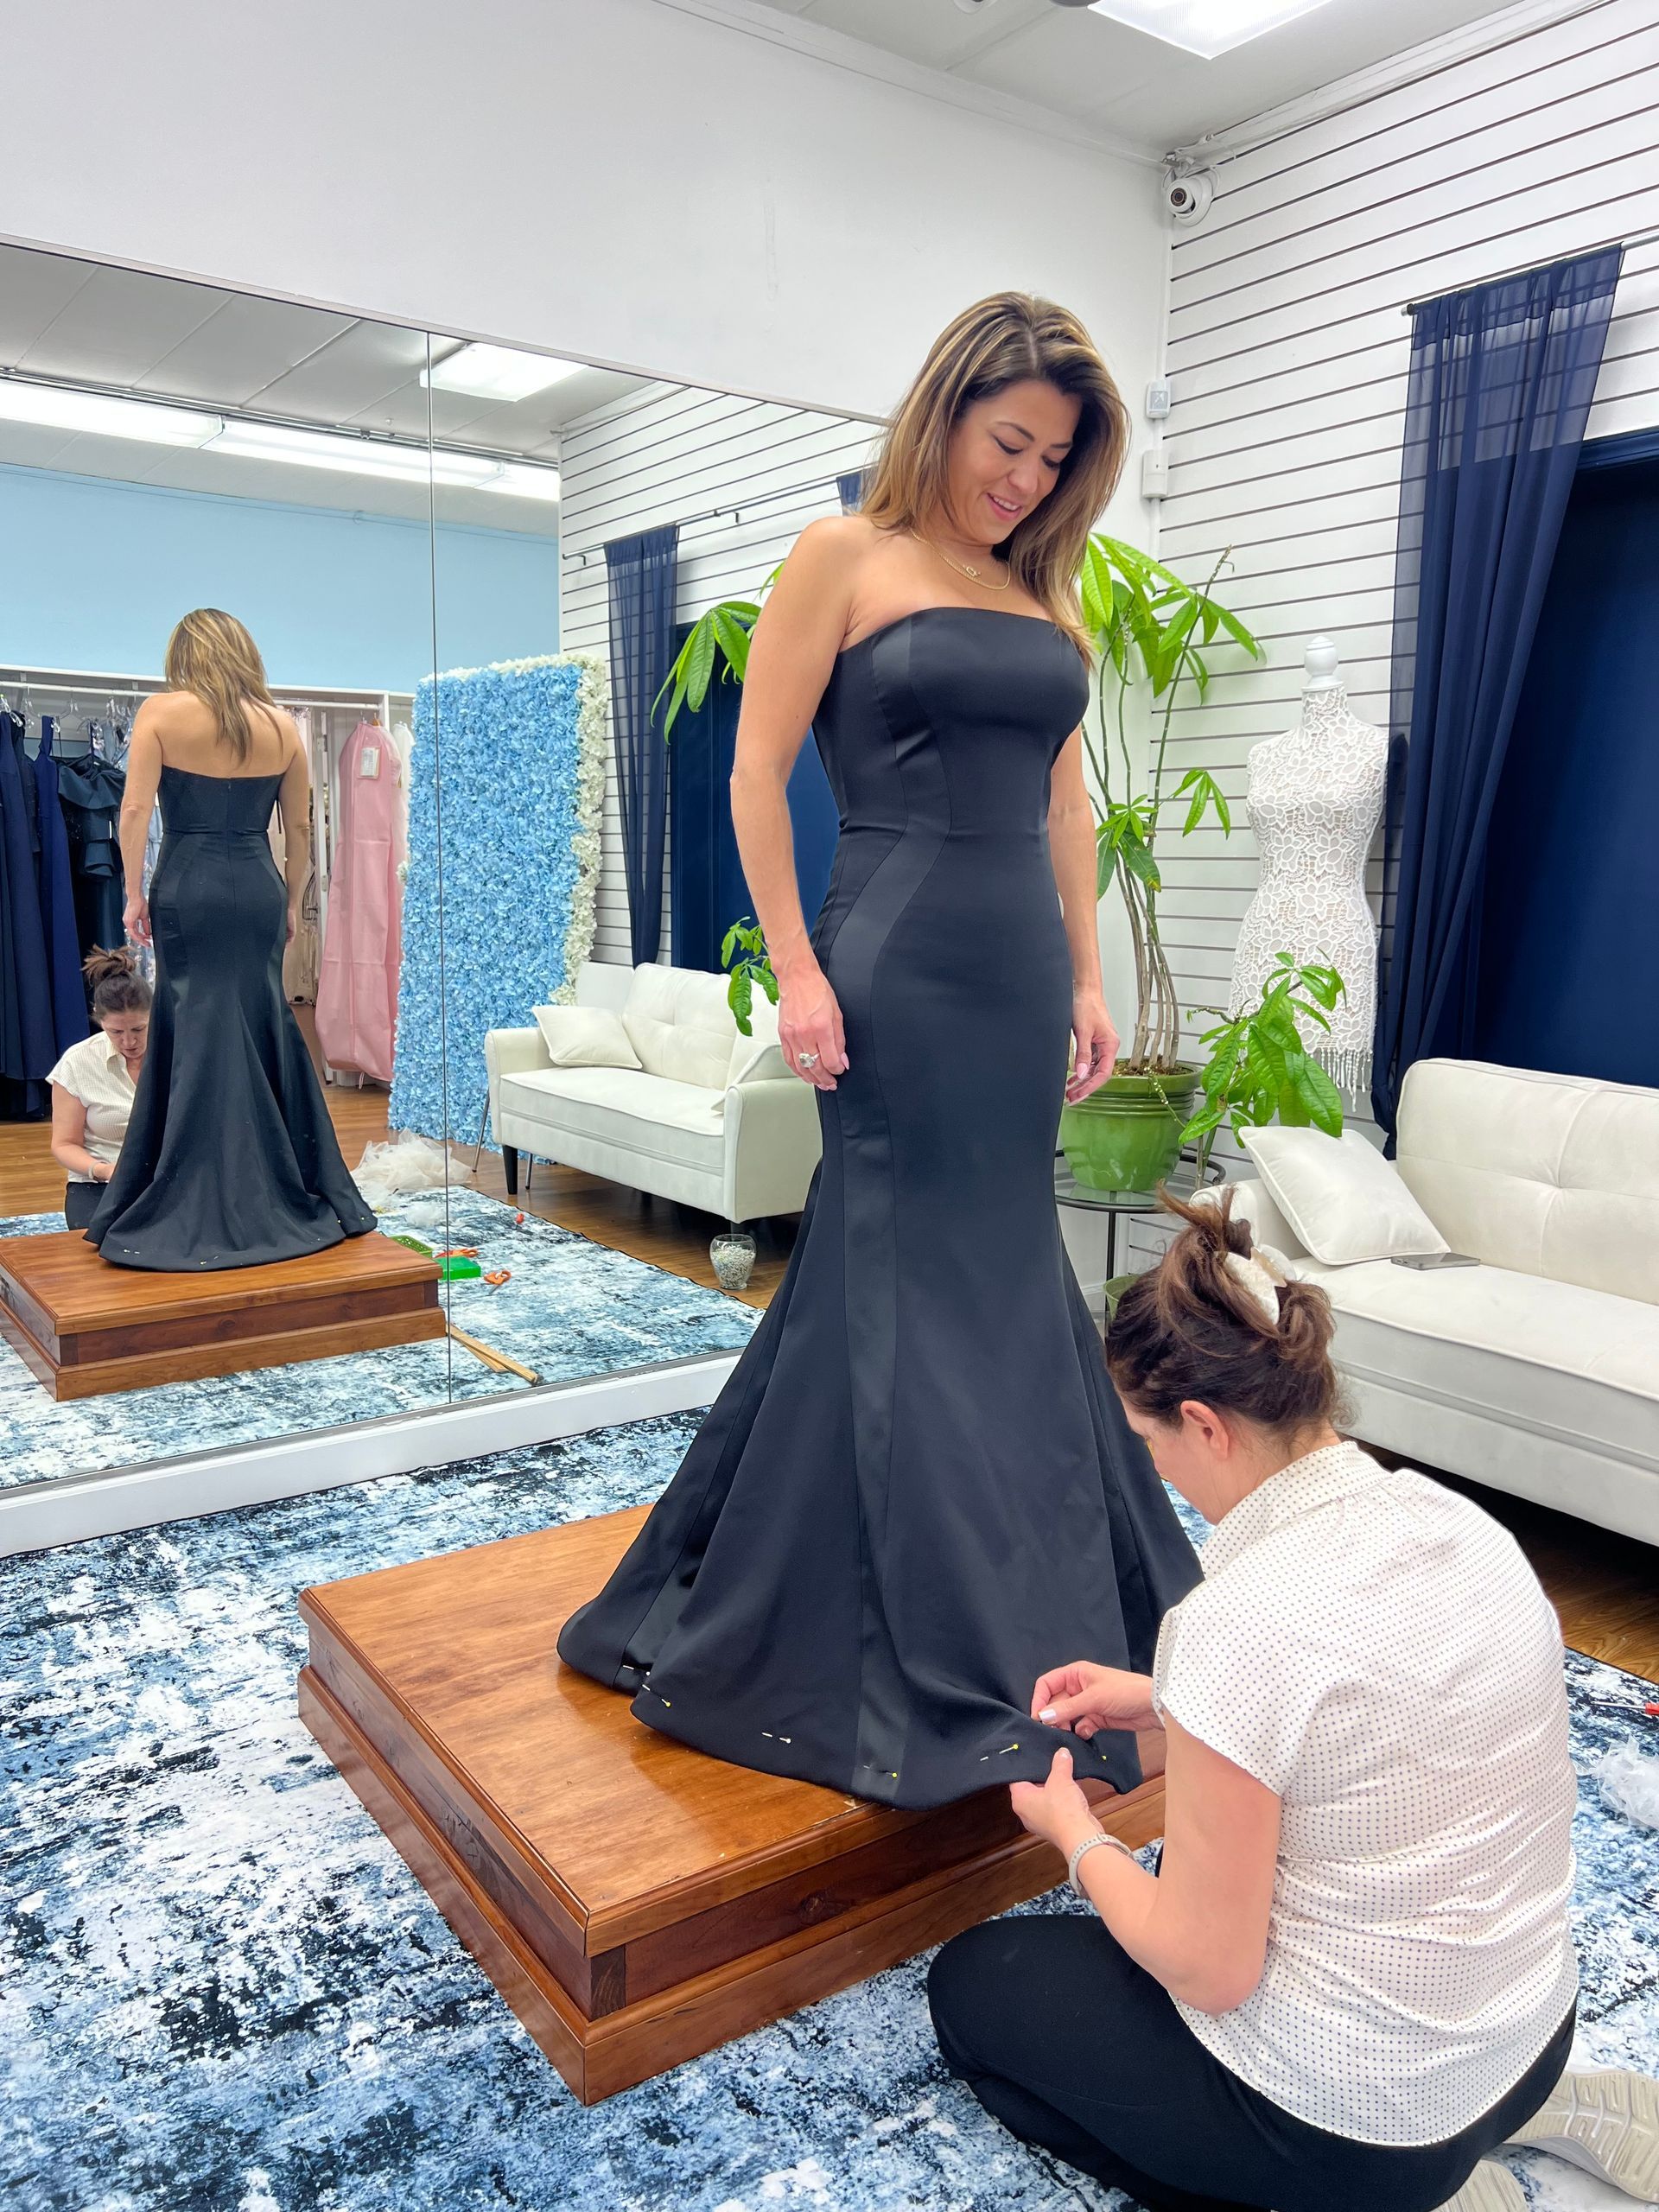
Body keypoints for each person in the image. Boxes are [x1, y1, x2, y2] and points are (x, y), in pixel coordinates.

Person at [556, 293, 1201, 1808]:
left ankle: (1031, 1577)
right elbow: (758, 771)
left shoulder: (1051, 588)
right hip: (893, 953)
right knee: (904, 1263)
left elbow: (1065, 804)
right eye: (1011, 443)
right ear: (946, 411)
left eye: (1056, 459)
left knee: (981, 1265)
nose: (1028, 480)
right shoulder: (842, 554)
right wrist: (795, 967)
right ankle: (894, 1615)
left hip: (1019, 966)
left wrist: (1093, 978)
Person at [926, 1187, 1659, 2212]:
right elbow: (1374, 1712)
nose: (1159, 1471)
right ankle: (1543, 2111)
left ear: (1203, 1424)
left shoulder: (1241, 1620)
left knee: (974, 1992)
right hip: (1532, 2032)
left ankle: (1382, 2196)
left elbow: (1206, 1968)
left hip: (1370, 2122)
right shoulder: (1460, 1526)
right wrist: (1166, 1697)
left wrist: (1076, 1834)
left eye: (1150, 1445)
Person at [86, 609, 375, 1271]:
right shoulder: (282, 727)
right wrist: (296, 903)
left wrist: (131, 891)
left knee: (196, 1021)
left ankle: (192, 1183)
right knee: (261, 1017)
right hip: (256, 885)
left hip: (188, 885)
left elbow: (133, 811)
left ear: (184, 655)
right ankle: (286, 1178)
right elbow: (299, 830)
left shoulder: (161, 713)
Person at [48, 948, 149, 1230]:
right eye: (116, 1032)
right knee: (101, 1244)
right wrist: (104, 1171)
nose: (129, 1041)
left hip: (166, 1177)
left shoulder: (179, 1053)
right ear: (99, 1020)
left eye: (139, 1029)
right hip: (97, 1183)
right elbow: (64, 1144)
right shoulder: (77, 1063)